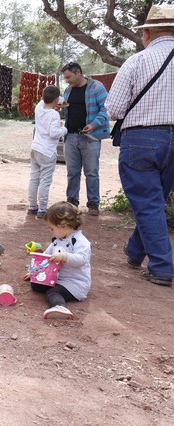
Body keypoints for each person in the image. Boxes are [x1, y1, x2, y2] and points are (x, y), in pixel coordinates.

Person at [105, 4, 174, 287]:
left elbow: (115, 109)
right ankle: (135, 252)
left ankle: (161, 267)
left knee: (147, 204)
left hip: (142, 139)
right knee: (152, 202)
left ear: (146, 33)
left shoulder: (137, 61)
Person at [24, 201, 91, 319]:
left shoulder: (80, 241)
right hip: (58, 279)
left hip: (75, 283)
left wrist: (65, 257)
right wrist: (35, 271)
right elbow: (46, 256)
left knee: (53, 292)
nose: (51, 232)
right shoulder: (57, 240)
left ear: (64, 226)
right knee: (36, 284)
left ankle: (60, 306)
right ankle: (51, 290)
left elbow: (82, 259)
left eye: (52, 228)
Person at [61, 62, 110, 216]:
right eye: (65, 78)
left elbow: (106, 108)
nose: (67, 80)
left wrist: (94, 125)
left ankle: (93, 204)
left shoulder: (96, 87)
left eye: (69, 77)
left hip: (90, 137)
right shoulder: (68, 90)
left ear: (79, 72)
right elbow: (66, 112)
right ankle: (72, 202)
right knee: (72, 172)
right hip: (70, 136)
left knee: (92, 172)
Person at [28, 85, 68, 219]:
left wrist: (56, 99)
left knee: (34, 178)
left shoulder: (38, 109)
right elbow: (54, 133)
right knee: (45, 180)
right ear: (56, 100)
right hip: (47, 151)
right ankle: (43, 208)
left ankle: (32, 206)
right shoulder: (54, 114)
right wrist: (64, 129)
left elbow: (44, 99)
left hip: (35, 148)